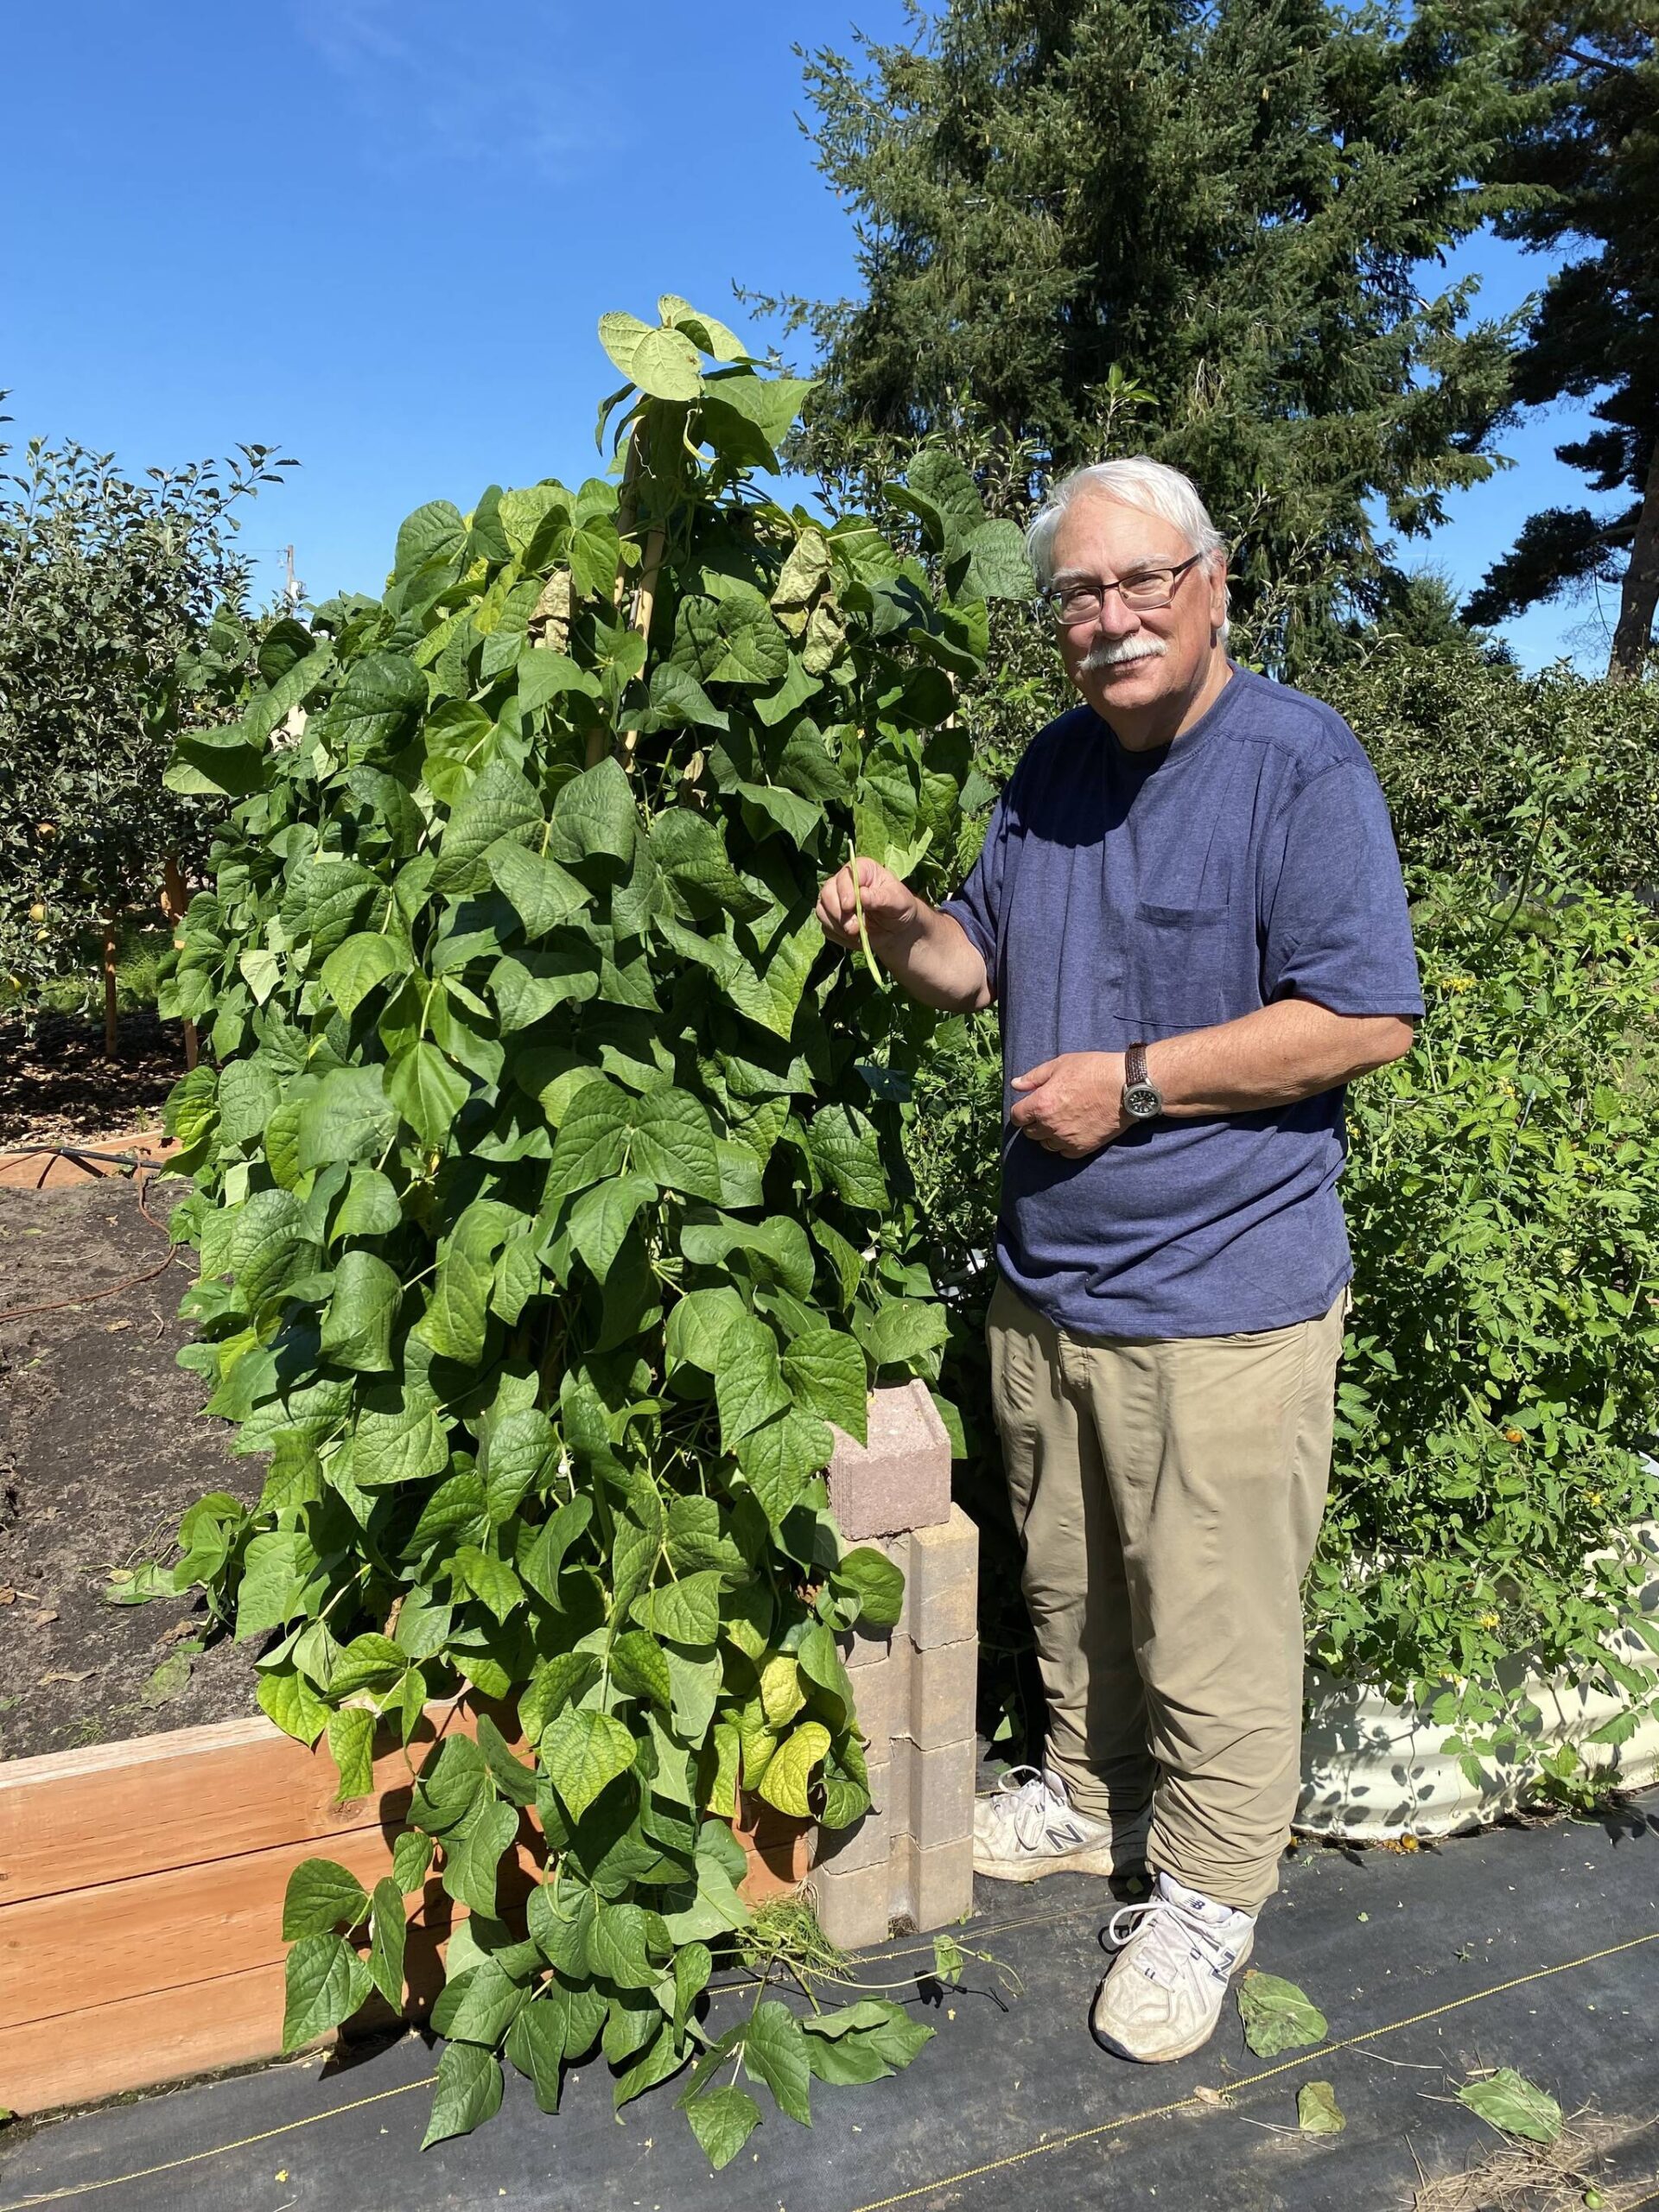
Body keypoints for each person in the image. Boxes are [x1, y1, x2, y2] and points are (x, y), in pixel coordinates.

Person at [815, 456, 1422, 2065]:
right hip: (1051, 1282)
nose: (1109, 618)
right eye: (1077, 594)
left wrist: (1134, 1081)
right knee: (1076, 1590)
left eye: (1140, 582)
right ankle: (1090, 1802)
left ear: (1211, 582)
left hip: (1223, 1294)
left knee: (1213, 1618)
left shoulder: (1298, 764)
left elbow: (1366, 1017)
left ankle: (1215, 1893)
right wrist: (894, 923)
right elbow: (973, 965)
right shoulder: (1052, 766)